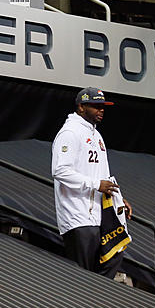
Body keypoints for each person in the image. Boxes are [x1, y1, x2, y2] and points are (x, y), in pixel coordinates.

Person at [51, 87, 133, 278]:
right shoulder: (70, 132)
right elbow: (59, 170)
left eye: (103, 106)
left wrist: (119, 199)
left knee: (112, 260)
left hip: (98, 215)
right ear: (81, 107)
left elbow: (105, 175)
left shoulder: (96, 135)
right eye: (96, 106)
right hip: (77, 215)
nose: (101, 110)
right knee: (83, 275)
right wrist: (95, 184)